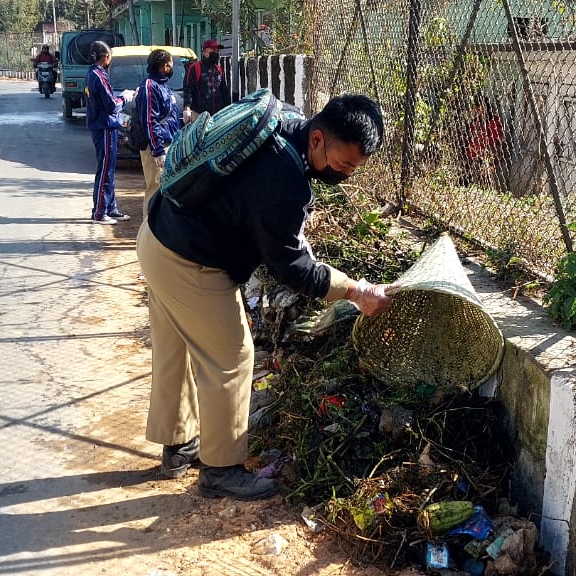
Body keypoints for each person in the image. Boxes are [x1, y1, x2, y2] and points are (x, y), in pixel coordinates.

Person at [137, 94, 393, 500]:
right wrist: (356, 291)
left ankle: (178, 444)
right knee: (232, 358)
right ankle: (221, 470)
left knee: (175, 348)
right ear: (318, 139)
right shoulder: (282, 178)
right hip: (188, 261)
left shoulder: (285, 121)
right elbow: (288, 264)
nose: (346, 175)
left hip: (157, 236)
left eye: (354, 168)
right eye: (343, 164)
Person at [85, 41, 136, 224]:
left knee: (110, 170)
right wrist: (126, 96)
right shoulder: (98, 76)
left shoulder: (95, 74)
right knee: (105, 170)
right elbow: (111, 104)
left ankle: (111, 207)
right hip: (104, 126)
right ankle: (99, 212)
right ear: (105, 57)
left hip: (106, 125)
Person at [131, 49, 184, 214]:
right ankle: (150, 231)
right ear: (164, 66)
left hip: (168, 143)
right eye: (170, 64)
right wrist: (158, 151)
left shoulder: (162, 86)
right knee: (155, 189)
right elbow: (149, 121)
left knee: (165, 189)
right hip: (156, 147)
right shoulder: (149, 87)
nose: (171, 67)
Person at [184, 39, 230, 123]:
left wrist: (229, 108)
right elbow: (188, 89)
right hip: (199, 115)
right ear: (205, 52)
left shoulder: (219, 69)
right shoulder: (195, 68)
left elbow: (224, 91)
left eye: (217, 51)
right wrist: (187, 108)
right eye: (213, 50)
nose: (216, 53)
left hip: (217, 115)